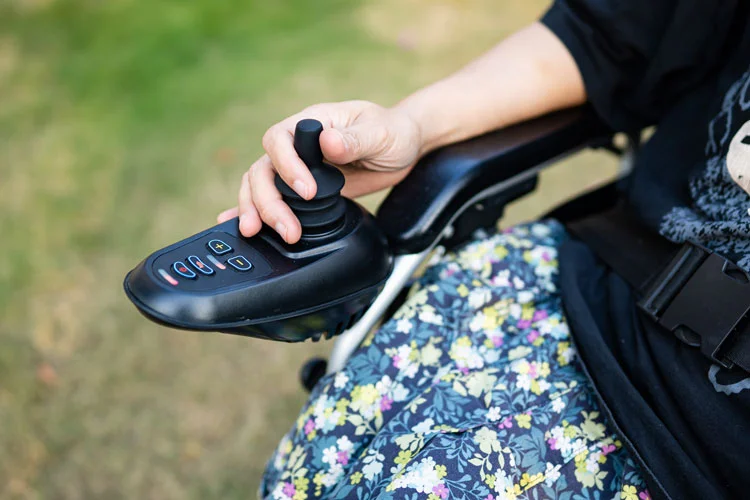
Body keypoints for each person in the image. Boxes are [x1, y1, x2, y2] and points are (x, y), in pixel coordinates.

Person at [218, 1, 750, 498]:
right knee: (308, 473)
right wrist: (413, 125)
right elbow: (604, 37)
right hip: (582, 274)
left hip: (696, 449)